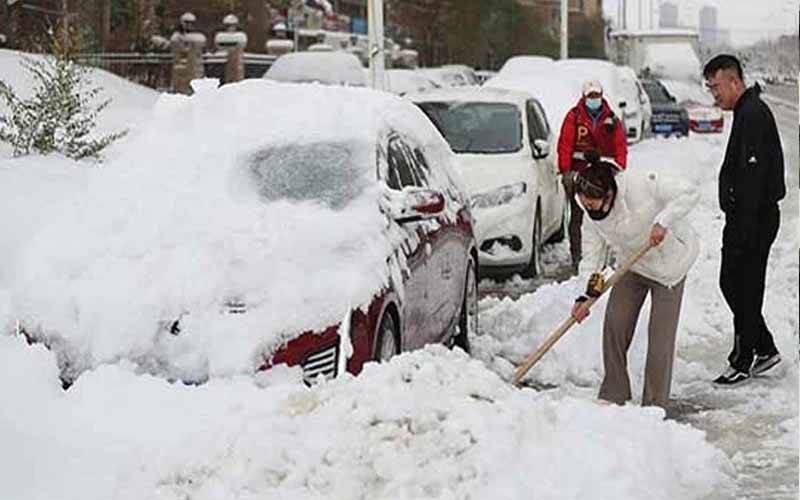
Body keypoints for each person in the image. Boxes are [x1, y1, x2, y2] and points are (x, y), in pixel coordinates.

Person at [570, 162, 700, 408]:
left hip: (669, 266)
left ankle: (654, 404)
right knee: (615, 324)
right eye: (584, 201)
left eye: (592, 202)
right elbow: (592, 255)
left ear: (609, 195)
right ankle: (614, 392)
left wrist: (663, 221)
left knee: (660, 338)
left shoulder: (642, 184)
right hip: (633, 263)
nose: (588, 206)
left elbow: (689, 191)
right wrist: (583, 296)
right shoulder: (590, 213)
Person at [703, 54, 786, 386]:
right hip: (748, 217)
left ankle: (743, 358)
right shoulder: (746, 111)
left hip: (752, 219)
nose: (714, 94)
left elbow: (753, 178)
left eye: (716, 87)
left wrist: (743, 226)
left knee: (742, 287)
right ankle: (764, 347)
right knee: (738, 285)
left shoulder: (752, 115)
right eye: (710, 88)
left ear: (735, 82)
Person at [557, 80, 628, 271]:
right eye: (590, 96)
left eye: (596, 96)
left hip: (603, 175)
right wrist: (566, 171)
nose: (593, 99)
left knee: (608, 214)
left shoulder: (611, 119)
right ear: (584, 97)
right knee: (578, 216)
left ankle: (608, 256)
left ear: (602, 96)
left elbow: (620, 145)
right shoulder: (574, 117)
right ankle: (578, 256)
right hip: (580, 173)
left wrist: (619, 167)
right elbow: (564, 144)